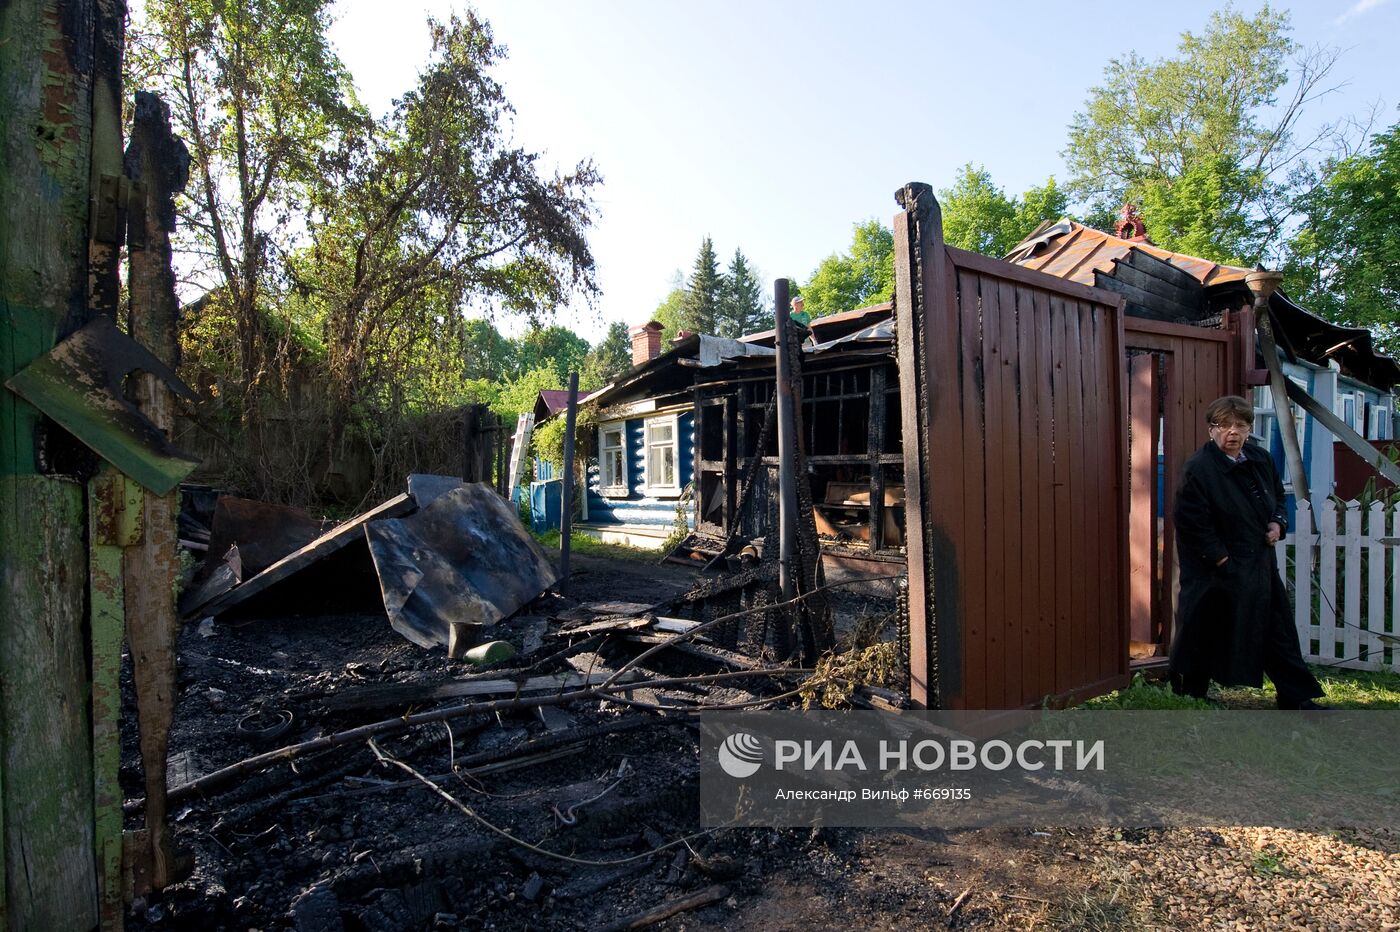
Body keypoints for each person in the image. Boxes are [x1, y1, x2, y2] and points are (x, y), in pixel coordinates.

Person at [1170, 395, 1327, 710]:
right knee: (1204, 627)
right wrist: (1221, 559)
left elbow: (1278, 501)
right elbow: (1192, 523)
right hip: (1215, 570)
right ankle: (1191, 694)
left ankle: (1295, 695)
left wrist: (1277, 524)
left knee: (1276, 629)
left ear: (1249, 428)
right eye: (1224, 425)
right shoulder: (1199, 469)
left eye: (1240, 425)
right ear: (1211, 430)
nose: (1233, 432)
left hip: (1258, 564)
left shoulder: (1260, 459)